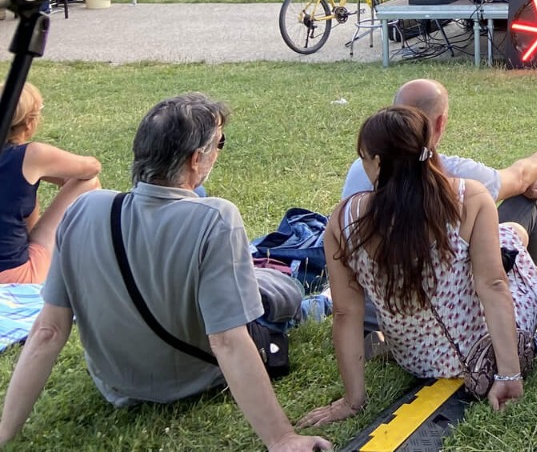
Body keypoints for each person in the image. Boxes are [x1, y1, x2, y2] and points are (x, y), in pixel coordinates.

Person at [0, 94, 327, 452]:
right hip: (195, 376)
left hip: (118, 386)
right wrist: (283, 439)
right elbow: (228, 341)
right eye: (219, 143)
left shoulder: (83, 210)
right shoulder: (217, 218)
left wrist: (4, 433)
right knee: (284, 291)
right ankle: (318, 305)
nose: (220, 150)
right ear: (195, 158)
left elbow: (48, 331)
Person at [303, 107, 537, 428]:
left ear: (377, 162)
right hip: (478, 346)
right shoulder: (468, 196)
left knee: (514, 234)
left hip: (416, 359)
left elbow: (346, 315)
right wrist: (509, 374)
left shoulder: (344, 220)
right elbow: (493, 286)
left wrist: (352, 401)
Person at [341, 79, 537, 265]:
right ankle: (529, 283)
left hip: (374, 303)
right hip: (447, 292)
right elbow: (518, 178)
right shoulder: (456, 177)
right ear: (440, 122)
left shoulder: (360, 170)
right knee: (523, 207)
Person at [0, 84, 101, 285]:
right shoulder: (33, 155)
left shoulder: (27, 161)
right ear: (29, 122)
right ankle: (88, 251)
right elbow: (92, 167)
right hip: (14, 276)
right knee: (88, 182)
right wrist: (47, 170)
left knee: (26, 185)